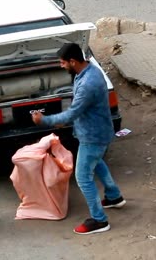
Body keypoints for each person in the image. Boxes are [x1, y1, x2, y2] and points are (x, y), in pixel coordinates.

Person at [31, 43, 125, 235]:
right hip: (98, 131)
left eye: (63, 62)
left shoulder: (87, 83)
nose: (61, 66)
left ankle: (99, 220)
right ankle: (114, 196)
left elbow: (72, 113)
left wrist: (45, 120)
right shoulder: (91, 71)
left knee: (83, 178)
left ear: (73, 61)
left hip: (92, 136)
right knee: (97, 162)